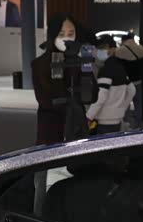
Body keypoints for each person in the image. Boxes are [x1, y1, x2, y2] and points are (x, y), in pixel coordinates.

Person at [32, 13, 81, 146]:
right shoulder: (40, 64)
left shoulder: (78, 61)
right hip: (51, 130)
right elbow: (46, 101)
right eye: (61, 34)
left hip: (77, 129)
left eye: (71, 34)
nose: (66, 38)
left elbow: (91, 95)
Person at [85, 35, 136, 136]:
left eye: (101, 49)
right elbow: (132, 90)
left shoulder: (106, 70)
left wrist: (89, 117)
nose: (99, 53)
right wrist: (121, 108)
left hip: (104, 119)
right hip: (117, 118)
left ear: (111, 49)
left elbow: (101, 97)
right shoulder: (120, 68)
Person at [115, 33, 143, 129]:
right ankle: (138, 124)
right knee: (138, 103)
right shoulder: (140, 48)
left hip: (125, 81)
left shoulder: (120, 50)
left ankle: (126, 123)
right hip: (138, 80)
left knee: (125, 103)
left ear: (123, 40)